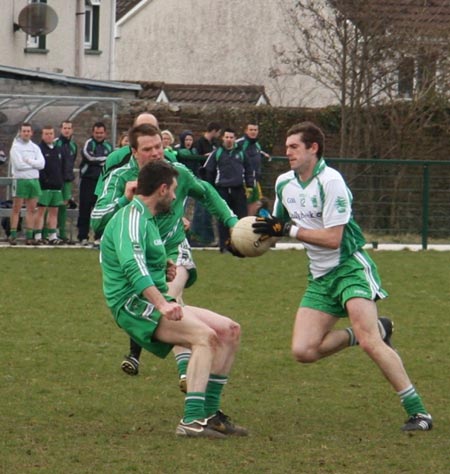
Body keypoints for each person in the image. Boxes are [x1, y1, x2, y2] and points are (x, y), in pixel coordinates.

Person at [252, 121, 433, 432]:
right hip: (320, 278)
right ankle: (371, 330)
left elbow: (333, 238)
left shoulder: (331, 181)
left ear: (313, 148)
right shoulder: (285, 183)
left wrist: (288, 229)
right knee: (303, 351)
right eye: (287, 148)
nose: (288, 153)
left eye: (294, 147)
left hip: (350, 268)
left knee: (371, 344)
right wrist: (249, 240)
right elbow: (277, 227)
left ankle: (419, 413)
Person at [99, 160, 247, 438]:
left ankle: (211, 415)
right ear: (163, 189)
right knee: (204, 337)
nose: (177, 196)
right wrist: (163, 304)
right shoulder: (131, 217)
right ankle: (191, 421)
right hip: (133, 305)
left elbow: (144, 256)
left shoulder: (149, 218)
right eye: (175, 190)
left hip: (148, 299)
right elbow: (132, 266)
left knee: (229, 330)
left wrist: (165, 264)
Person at [91, 124, 239, 383]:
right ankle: (172, 359)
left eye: (159, 146)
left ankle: (186, 370)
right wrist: (125, 199)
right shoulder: (119, 178)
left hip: (173, 248)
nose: (156, 153)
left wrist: (232, 222)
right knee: (161, 304)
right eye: (148, 149)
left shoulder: (176, 173)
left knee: (170, 296)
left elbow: (206, 193)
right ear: (133, 152)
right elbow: (97, 223)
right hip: (140, 253)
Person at [203, 128, 254, 252]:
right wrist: (210, 189)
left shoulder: (241, 153)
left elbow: (248, 170)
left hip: (238, 189)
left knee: (241, 219)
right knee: (223, 218)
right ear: (223, 138)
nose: (229, 140)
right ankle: (224, 246)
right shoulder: (217, 153)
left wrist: (250, 186)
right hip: (222, 190)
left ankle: (241, 246)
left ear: (235, 138)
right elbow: (207, 170)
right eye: (227, 137)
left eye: (231, 137)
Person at [8, 122, 45, 245]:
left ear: (31, 133)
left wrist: (29, 161)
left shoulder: (35, 147)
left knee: (31, 209)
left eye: (28, 131)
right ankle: (13, 235)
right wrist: (33, 165)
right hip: (20, 181)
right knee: (16, 209)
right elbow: (18, 165)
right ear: (20, 132)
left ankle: (30, 236)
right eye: (24, 131)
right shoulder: (15, 147)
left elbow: (41, 164)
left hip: (34, 181)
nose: (26, 133)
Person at [77, 121, 113, 245]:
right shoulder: (89, 144)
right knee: (85, 210)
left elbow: (112, 160)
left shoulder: (108, 146)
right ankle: (83, 236)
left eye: (101, 133)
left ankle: (99, 237)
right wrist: (104, 159)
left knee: (100, 210)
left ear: (105, 133)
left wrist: (103, 161)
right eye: (97, 133)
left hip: (102, 182)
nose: (99, 135)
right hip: (88, 181)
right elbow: (89, 157)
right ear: (93, 133)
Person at [190, 122, 222, 246]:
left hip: (212, 179)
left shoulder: (215, 144)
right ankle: (198, 236)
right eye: (218, 132)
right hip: (201, 178)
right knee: (201, 208)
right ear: (214, 131)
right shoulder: (199, 143)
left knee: (209, 209)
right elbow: (196, 158)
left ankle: (208, 237)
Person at [33, 125, 64, 245]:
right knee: (41, 211)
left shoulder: (57, 149)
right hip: (44, 186)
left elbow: (60, 167)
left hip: (56, 186)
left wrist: (60, 180)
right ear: (42, 135)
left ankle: (52, 235)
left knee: (54, 211)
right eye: (46, 134)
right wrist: (44, 180)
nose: (49, 136)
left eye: (51, 133)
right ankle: (38, 235)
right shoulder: (39, 149)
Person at [236, 122, 271, 216]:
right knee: (242, 205)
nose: (253, 132)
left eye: (255, 130)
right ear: (246, 131)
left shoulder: (257, 145)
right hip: (243, 180)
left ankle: (249, 225)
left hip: (255, 180)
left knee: (256, 204)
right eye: (251, 130)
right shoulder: (240, 143)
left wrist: (264, 155)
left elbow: (258, 152)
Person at [54, 120, 78, 243]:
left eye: (69, 128)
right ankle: (51, 233)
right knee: (53, 206)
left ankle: (63, 233)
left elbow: (72, 161)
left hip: (67, 180)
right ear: (61, 129)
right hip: (56, 180)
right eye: (64, 128)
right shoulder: (56, 143)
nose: (67, 130)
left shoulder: (73, 145)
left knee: (64, 205)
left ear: (72, 130)